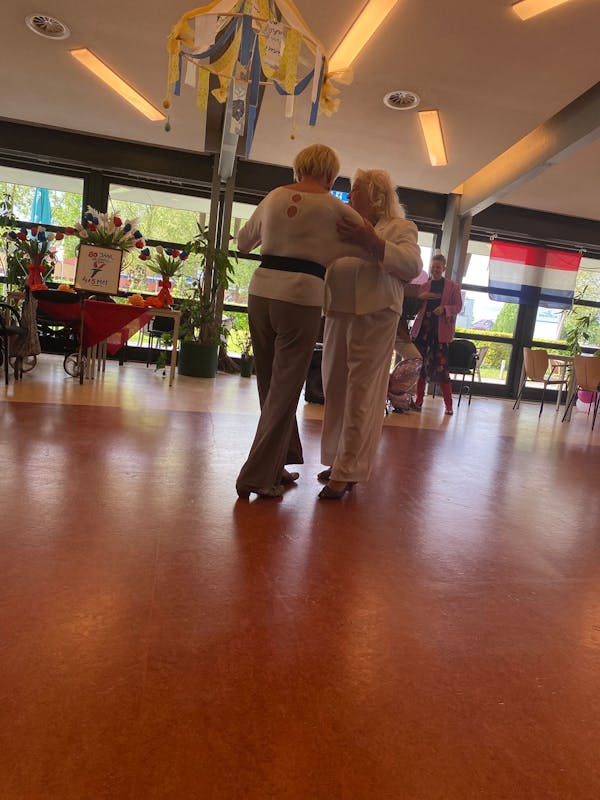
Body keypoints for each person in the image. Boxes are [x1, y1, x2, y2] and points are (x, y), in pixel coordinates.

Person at [235, 144, 369, 499]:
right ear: (331, 174)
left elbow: (243, 242)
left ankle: (277, 461)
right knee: (285, 390)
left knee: (270, 386)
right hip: (301, 296)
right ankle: (256, 475)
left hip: (261, 292)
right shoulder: (335, 207)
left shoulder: (274, 197)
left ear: (299, 167)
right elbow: (370, 241)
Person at [318, 168, 423, 499]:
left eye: (357, 190)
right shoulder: (345, 225)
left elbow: (411, 267)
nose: (350, 196)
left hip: (375, 314)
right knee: (334, 386)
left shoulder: (401, 228)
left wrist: (373, 242)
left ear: (377, 195)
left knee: (362, 393)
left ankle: (348, 469)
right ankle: (338, 459)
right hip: (338, 311)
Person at [410, 252, 463, 415]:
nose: (436, 269)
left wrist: (444, 309)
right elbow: (414, 309)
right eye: (433, 267)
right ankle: (418, 401)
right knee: (420, 368)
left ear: (444, 268)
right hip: (422, 332)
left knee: (442, 369)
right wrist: (421, 298)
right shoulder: (424, 286)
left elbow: (458, 307)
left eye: (438, 267)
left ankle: (449, 405)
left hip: (441, 334)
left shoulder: (453, 287)